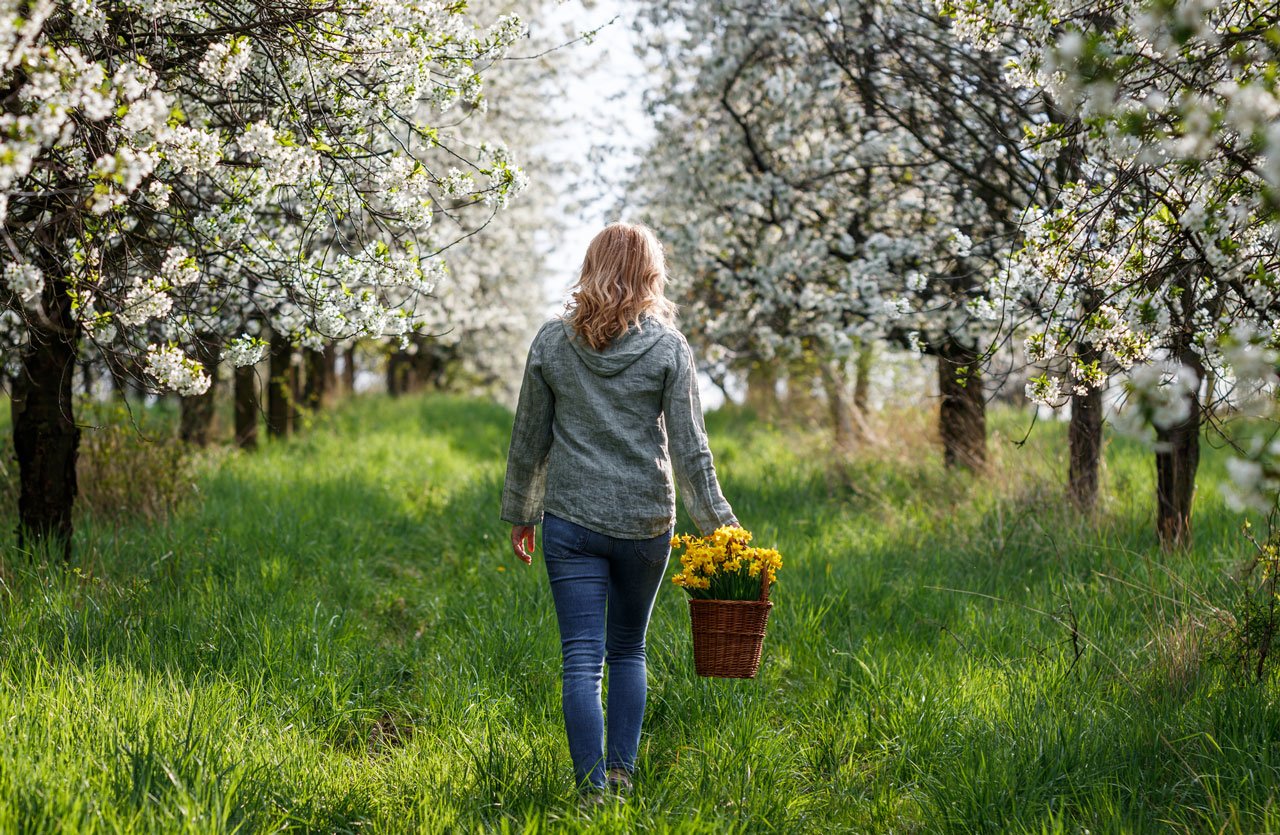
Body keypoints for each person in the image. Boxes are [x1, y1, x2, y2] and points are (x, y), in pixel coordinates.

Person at [500, 221, 739, 796]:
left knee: (580, 660)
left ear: (592, 268)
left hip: (571, 521)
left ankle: (589, 791)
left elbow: (529, 436)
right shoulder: (668, 347)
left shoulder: (552, 342)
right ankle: (621, 775)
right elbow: (691, 450)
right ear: (650, 275)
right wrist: (725, 530)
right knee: (628, 647)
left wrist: (521, 513)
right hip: (645, 523)